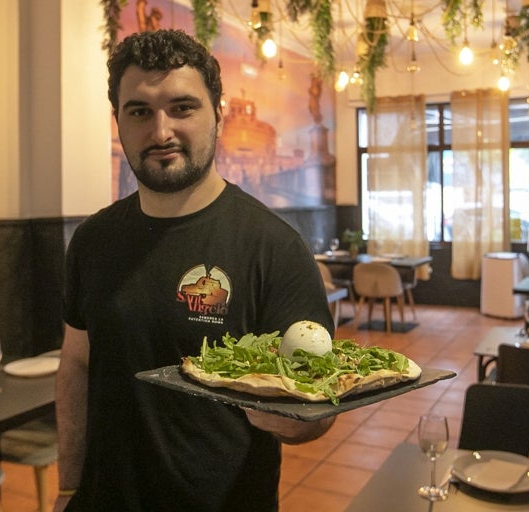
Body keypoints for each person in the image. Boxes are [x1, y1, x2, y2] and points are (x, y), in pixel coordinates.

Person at [54, 29, 336, 512]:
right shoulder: (92, 241)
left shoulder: (274, 247)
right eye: (140, 111)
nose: (161, 131)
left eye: (183, 107)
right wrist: (67, 487)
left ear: (218, 115)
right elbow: (77, 364)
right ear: (119, 121)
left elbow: (317, 405)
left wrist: (301, 417)